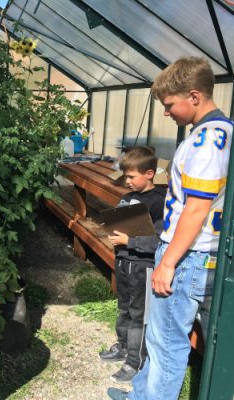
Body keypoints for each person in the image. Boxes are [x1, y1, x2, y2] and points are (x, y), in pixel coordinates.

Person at [108, 57, 233, 400]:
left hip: (187, 255)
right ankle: (140, 394)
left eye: (169, 105)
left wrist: (167, 262)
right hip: (196, 253)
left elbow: (196, 210)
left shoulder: (208, 139)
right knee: (162, 337)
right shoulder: (221, 133)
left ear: (194, 96)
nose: (166, 113)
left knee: (166, 345)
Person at [99, 147, 166, 384]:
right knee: (124, 307)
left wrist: (131, 241)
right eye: (125, 176)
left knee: (140, 315)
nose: (126, 181)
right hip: (124, 263)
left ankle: (135, 362)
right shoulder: (126, 198)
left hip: (143, 266)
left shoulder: (159, 202)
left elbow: (159, 241)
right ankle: (123, 345)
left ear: (149, 174)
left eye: (131, 177)